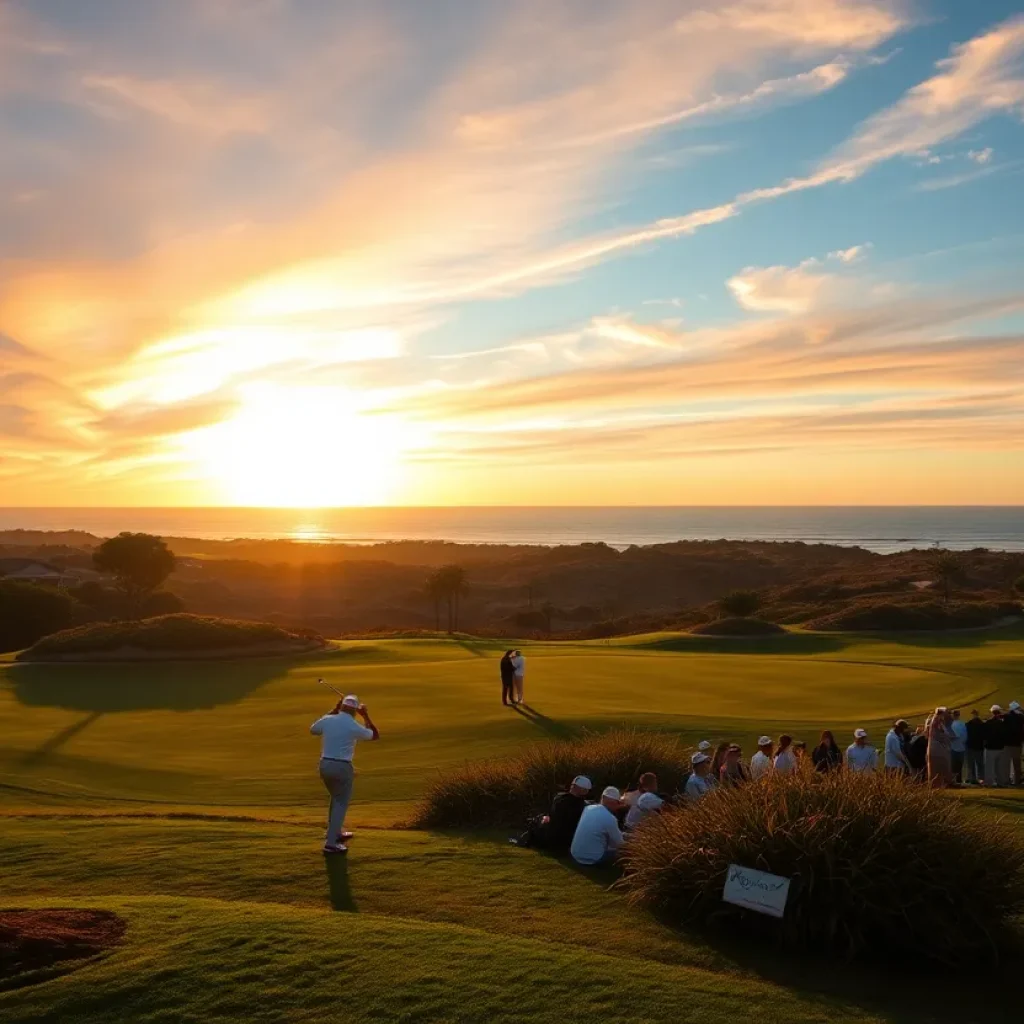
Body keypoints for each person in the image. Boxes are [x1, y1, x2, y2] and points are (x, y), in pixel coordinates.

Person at [310, 693, 380, 854]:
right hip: (342, 767)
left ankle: (334, 833)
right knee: (341, 802)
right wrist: (366, 715)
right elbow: (374, 735)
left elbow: (313, 730)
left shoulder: (329, 719)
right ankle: (331, 844)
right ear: (355, 711)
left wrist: (334, 710)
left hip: (324, 765)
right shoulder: (353, 724)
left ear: (341, 706)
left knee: (336, 799)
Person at [513, 776, 591, 850]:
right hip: (568, 842)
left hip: (552, 840)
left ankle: (524, 840)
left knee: (538, 820)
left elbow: (554, 818)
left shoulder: (559, 799)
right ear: (585, 790)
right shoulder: (585, 807)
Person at [570, 786, 624, 866]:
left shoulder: (588, 808)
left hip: (575, 854)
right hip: (594, 859)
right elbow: (619, 844)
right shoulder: (610, 818)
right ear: (614, 802)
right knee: (624, 851)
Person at [926, 708, 954, 787]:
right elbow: (940, 735)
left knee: (939, 768)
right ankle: (937, 785)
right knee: (937, 768)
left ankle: (941, 784)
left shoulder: (938, 721)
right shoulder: (936, 721)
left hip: (938, 749)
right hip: (937, 749)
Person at [984, 705, 1009, 788]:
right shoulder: (1002, 723)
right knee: (999, 767)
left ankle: (989, 782)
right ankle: (1001, 782)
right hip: (1000, 748)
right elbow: (1005, 735)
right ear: (999, 713)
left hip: (990, 748)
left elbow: (985, 735)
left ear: (992, 712)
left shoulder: (988, 723)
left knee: (989, 767)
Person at [1003, 701, 1024, 785]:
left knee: (1006, 764)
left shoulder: (1006, 717)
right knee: (1017, 764)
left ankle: (1006, 780)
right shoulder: (1021, 717)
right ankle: (1017, 781)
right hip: (1017, 744)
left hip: (1007, 744)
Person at [964, 708, 985, 785]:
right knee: (979, 764)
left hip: (971, 746)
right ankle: (981, 778)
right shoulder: (982, 724)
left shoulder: (968, 724)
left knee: (971, 764)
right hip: (979, 747)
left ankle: (972, 778)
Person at [949, 709, 968, 784]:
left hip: (953, 748)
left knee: (953, 766)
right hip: (962, 748)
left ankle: (953, 781)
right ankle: (959, 781)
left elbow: (952, 736)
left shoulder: (951, 724)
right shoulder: (963, 724)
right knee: (959, 767)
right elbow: (966, 736)